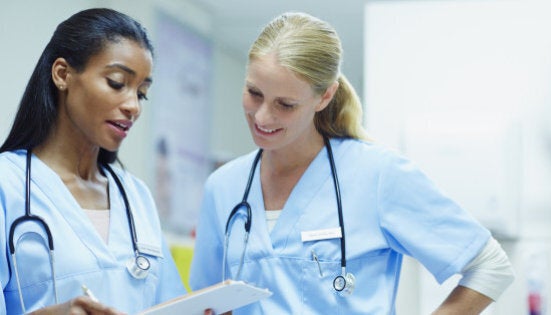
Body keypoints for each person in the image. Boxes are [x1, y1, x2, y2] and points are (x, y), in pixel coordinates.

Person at [189, 12, 515, 314]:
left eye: (285, 104)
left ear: (325, 97)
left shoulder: (376, 175)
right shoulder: (224, 187)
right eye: (254, 93)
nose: (262, 116)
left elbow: (490, 265)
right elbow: (208, 303)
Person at [0, 8, 188, 314]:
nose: (133, 107)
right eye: (117, 83)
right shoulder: (7, 186)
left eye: (142, 93)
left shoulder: (135, 196)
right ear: (62, 74)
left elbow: (170, 304)